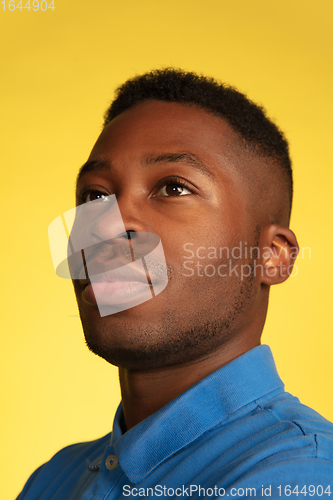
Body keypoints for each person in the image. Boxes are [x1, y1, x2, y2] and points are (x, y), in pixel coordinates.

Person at [17, 69, 333, 499]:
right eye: (94, 197)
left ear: (271, 256)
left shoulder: (302, 476)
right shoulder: (54, 478)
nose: (110, 225)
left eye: (173, 188)